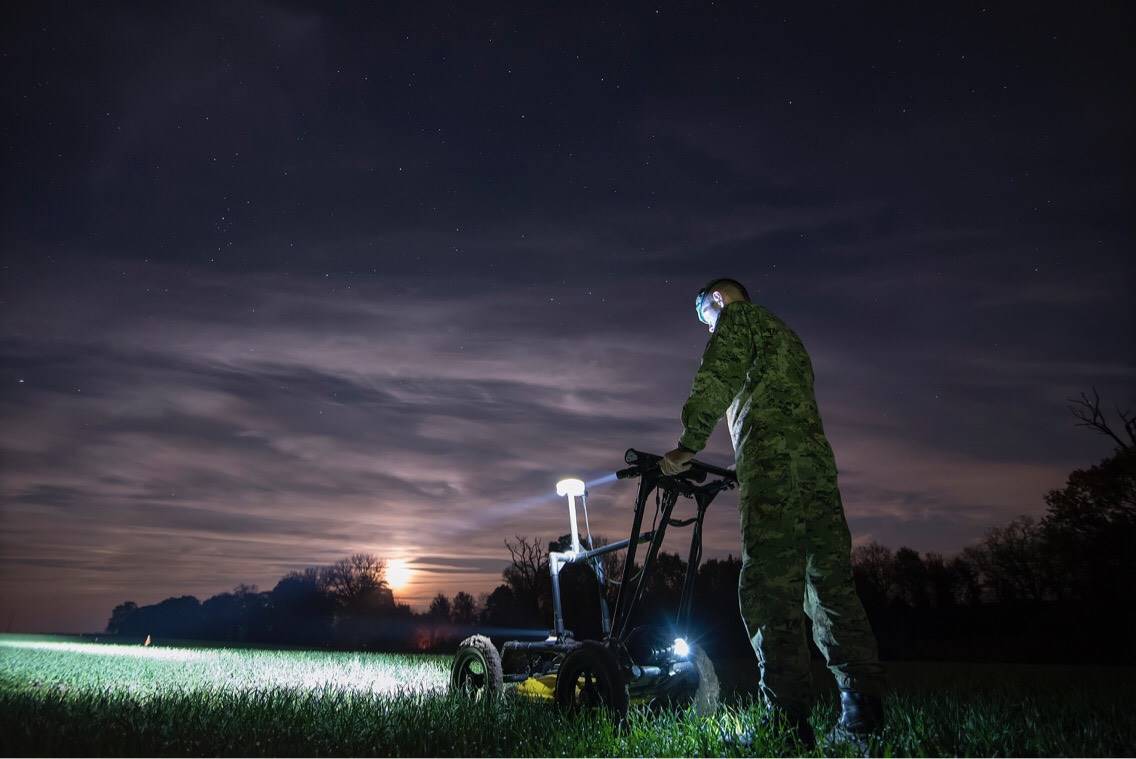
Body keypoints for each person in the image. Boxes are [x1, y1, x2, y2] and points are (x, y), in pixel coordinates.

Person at [660, 277, 887, 750]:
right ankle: (862, 716)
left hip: (774, 467)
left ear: (717, 301)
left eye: (705, 317)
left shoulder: (736, 320)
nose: (708, 328)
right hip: (816, 469)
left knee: (771, 585)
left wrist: (688, 444)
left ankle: (785, 723)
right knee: (828, 583)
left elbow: (716, 378)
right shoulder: (786, 333)